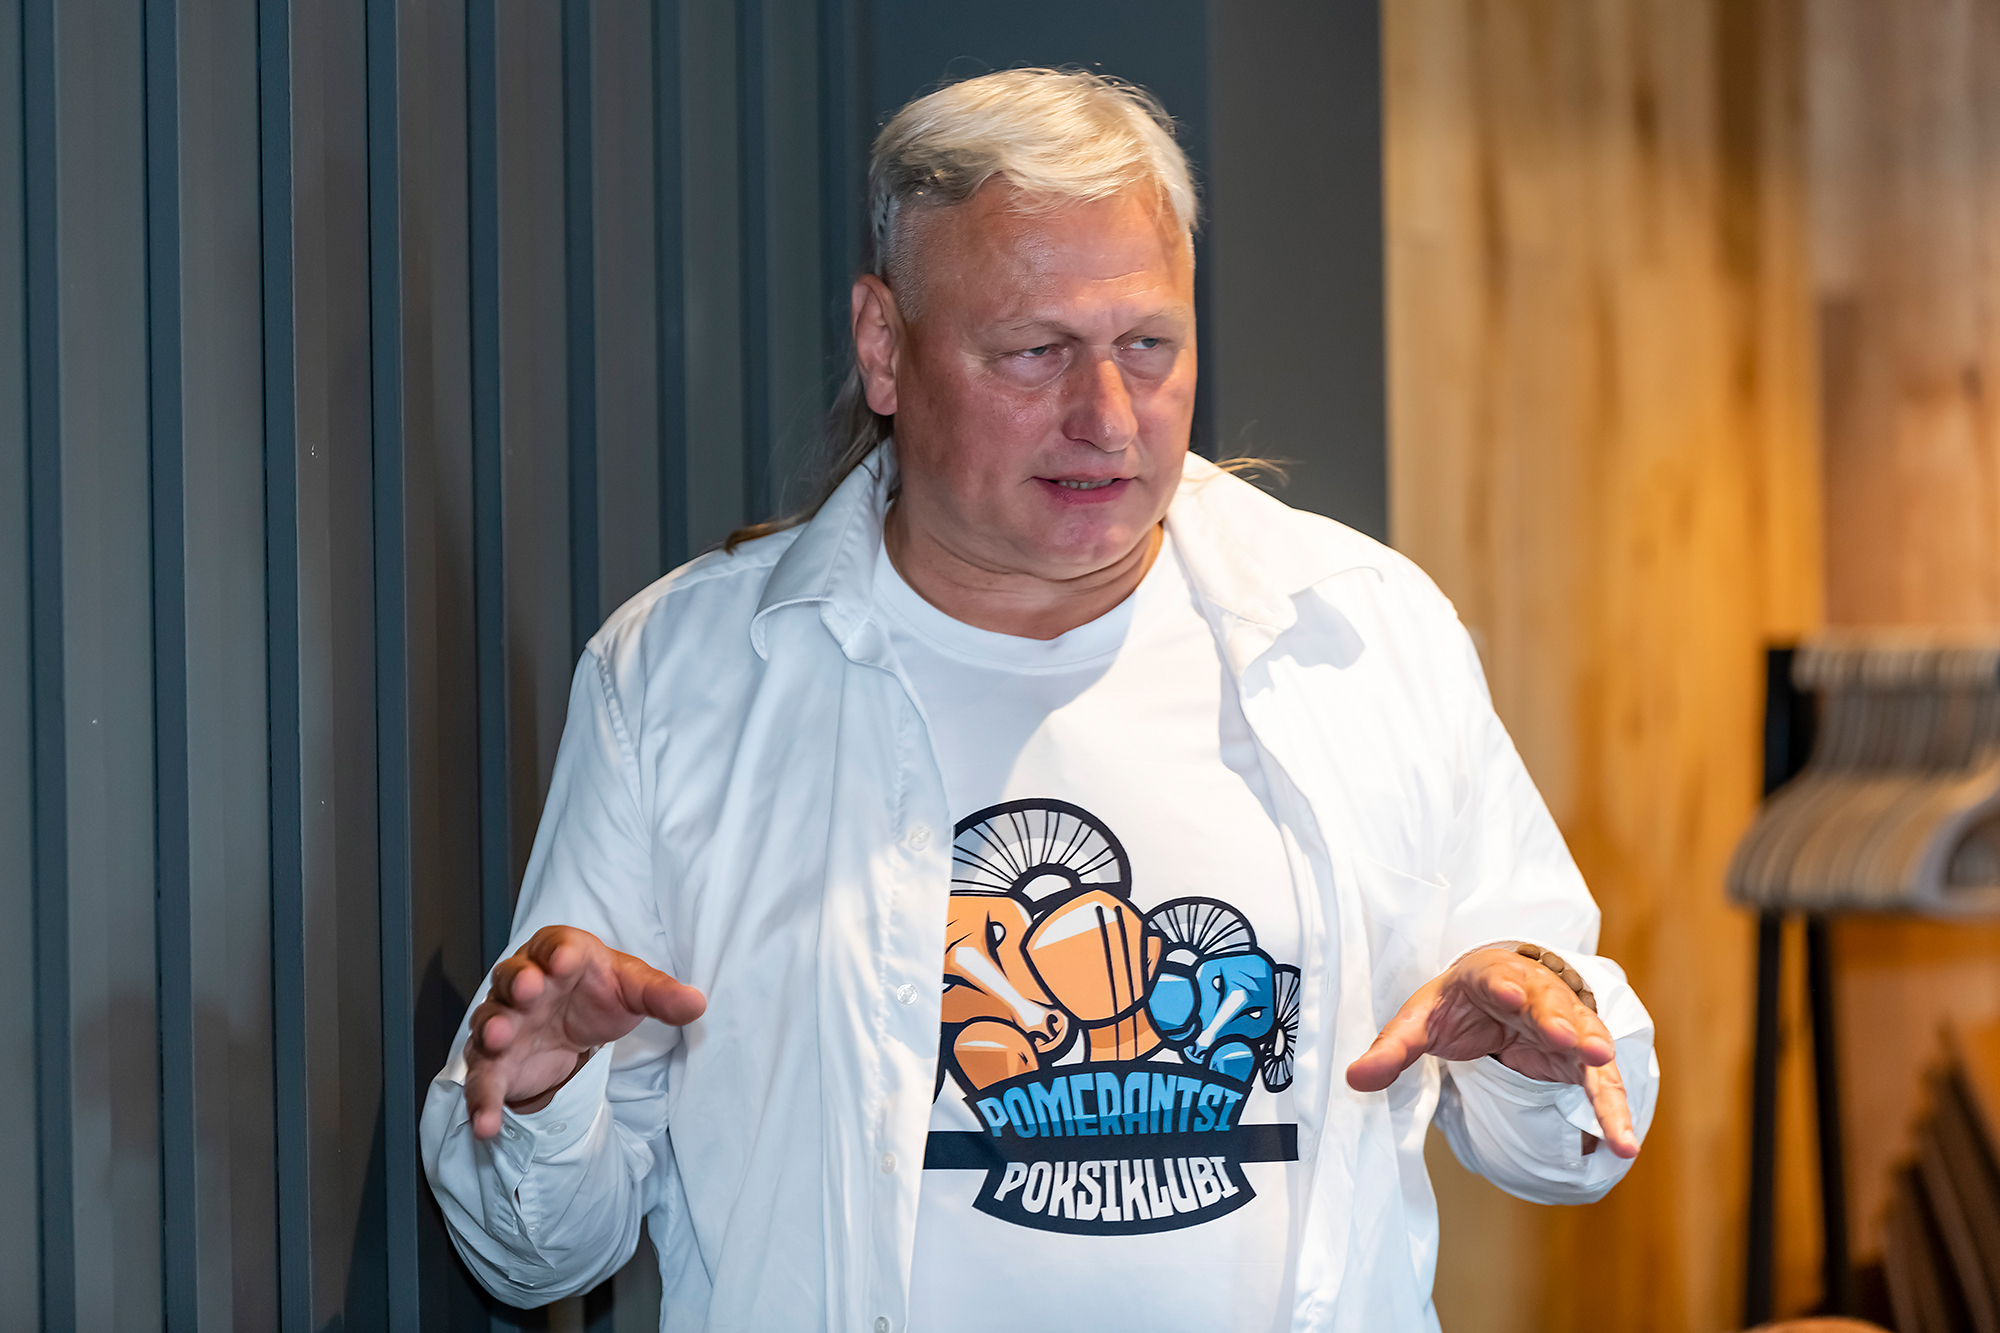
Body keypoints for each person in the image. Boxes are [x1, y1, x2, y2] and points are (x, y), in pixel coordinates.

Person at [420, 67, 1658, 1333]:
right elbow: (538, 1255)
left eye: (1146, 345)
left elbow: (1566, 1145)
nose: (1105, 417)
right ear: (883, 345)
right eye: (1033, 352)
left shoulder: (1363, 636)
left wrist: (1542, 1043)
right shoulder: (684, 678)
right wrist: (542, 1092)